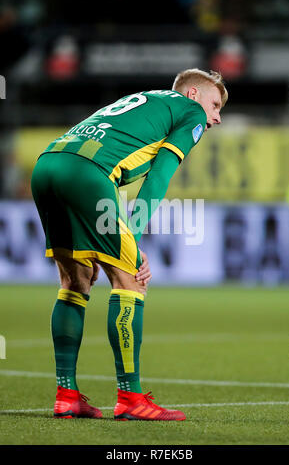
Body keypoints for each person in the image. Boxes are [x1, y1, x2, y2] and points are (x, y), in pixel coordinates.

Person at [31, 68, 227, 421]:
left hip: (48, 165)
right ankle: (130, 398)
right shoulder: (189, 111)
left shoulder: (146, 101)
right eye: (215, 105)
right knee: (131, 279)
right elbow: (160, 175)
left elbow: (117, 166)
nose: (216, 117)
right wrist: (133, 241)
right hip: (87, 173)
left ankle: (67, 395)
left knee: (74, 283)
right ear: (193, 94)